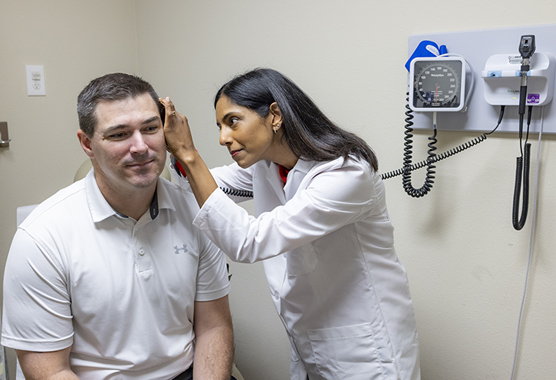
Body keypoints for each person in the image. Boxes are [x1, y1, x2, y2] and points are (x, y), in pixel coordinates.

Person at [161, 68, 421, 380]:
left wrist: (188, 152)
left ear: (274, 115)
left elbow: (249, 240)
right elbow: (202, 187)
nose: (222, 138)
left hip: (367, 352)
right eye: (220, 126)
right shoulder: (268, 166)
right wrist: (170, 149)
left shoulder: (347, 174)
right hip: (312, 340)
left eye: (232, 121)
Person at [2, 73, 234, 380]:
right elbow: (49, 370)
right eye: (119, 134)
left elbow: (214, 327)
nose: (140, 147)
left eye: (151, 128)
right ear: (87, 143)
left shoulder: (197, 212)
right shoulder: (42, 237)